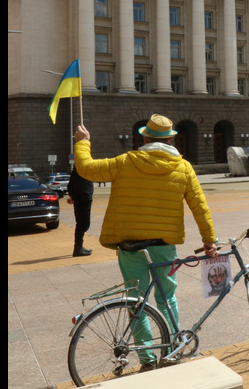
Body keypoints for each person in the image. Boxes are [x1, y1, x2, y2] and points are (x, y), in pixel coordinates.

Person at [74, 114, 218, 368]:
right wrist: (209, 241)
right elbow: (200, 207)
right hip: (164, 246)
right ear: (171, 138)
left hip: (131, 246)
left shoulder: (126, 161)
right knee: (168, 297)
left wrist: (83, 142)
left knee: (136, 301)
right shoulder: (182, 167)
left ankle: (147, 359)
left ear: (144, 137)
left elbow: (86, 169)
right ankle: (172, 351)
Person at [66, 166, 93, 257]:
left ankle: (78, 247)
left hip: (81, 200)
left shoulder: (76, 171)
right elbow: (80, 187)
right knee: (83, 225)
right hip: (83, 200)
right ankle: (78, 248)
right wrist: (74, 197)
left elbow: (70, 186)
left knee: (81, 224)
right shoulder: (82, 171)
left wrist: (73, 197)